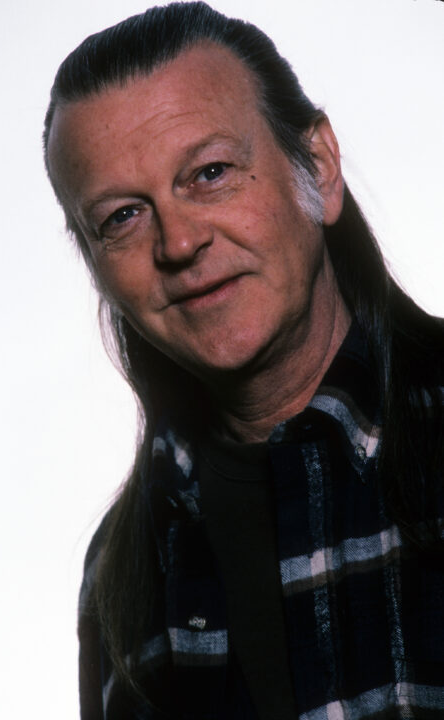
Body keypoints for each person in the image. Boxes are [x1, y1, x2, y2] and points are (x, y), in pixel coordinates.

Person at [43, 3, 443, 718]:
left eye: (210, 172)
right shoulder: (122, 570)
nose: (178, 241)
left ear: (317, 167)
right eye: (122, 216)